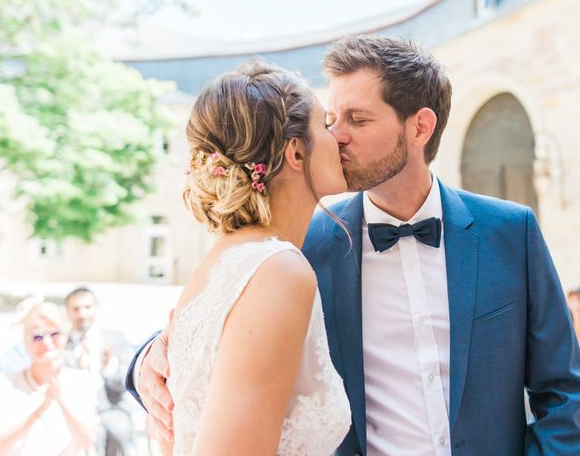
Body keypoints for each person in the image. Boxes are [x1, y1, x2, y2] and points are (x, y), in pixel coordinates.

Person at [128, 36, 580, 456]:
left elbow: (564, 389)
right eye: (330, 120)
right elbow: (226, 318)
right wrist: (146, 357)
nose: (338, 135)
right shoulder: (302, 248)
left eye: (357, 119)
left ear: (420, 127)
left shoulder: (511, 231)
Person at [135, 62, 352, 455]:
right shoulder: (278, 270)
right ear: (297, 151)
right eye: (326, 125)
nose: (339, 137)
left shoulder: (223, 259)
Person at [0, 301, 98, 456]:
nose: (47, 342)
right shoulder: (5, 385)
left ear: (65, 336)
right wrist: (40, 410)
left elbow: (87, 441)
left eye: (54, 334)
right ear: (25, 340)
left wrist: (60, 399)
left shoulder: (82, 381)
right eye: (37, 337)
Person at [63, 287, 136, 456]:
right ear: (67, 311)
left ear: (96, 307)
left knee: (118, 429)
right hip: (72, 411)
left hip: (110, 408)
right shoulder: (59, 342)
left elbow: (126, 382)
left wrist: (109, 365)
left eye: (87, 307)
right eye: (76, 309)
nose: (82, 314)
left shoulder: (116, 339)